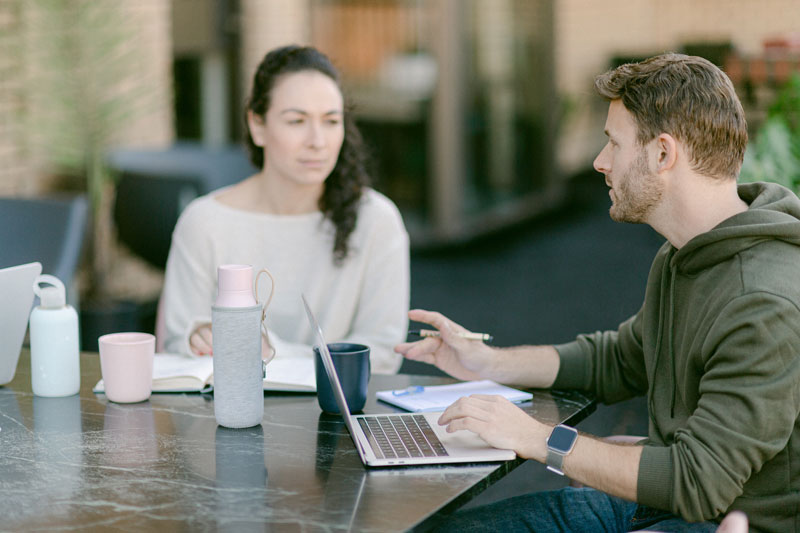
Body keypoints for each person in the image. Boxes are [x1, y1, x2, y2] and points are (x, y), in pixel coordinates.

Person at [396, 53, 800, 532]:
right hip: (667, 506)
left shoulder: (762, 301)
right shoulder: (685, 253)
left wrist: (540, 440)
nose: (599, 161)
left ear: (663, 154)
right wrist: (488, 363)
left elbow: (696, 481)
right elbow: (621, 359)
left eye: (614, 143)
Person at [161, 45, 409, 374]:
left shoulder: (376, 220)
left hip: (337, 405)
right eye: (296, 121)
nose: (317, 141)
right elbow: (174, 345)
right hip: (229, 401)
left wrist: (270, 352)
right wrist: (198, 339)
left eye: (331, 121)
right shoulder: (204, 221)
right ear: (257, 125)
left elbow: (382, 354)